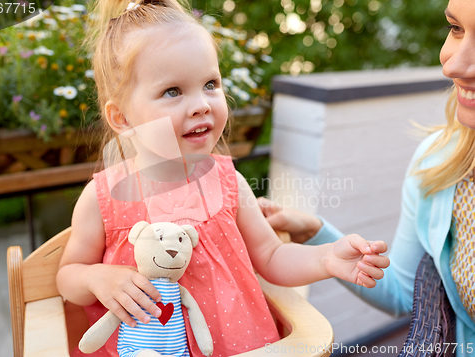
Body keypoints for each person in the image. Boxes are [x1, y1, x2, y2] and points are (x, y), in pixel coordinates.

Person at [56, 0, 390, 356]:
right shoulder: (104, 197)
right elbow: (66, 277)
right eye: (173, 91)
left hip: (244, 347)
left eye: (210, 84)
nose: (201, 103)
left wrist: (326, 259)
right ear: (121, 117)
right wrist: (95, 278)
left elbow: (272, 256)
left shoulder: (228, 181)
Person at [259, 0, 475, 354]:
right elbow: (404, 295)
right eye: (455, 28)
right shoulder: (439, 163)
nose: (453, 64)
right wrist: (315, 233)